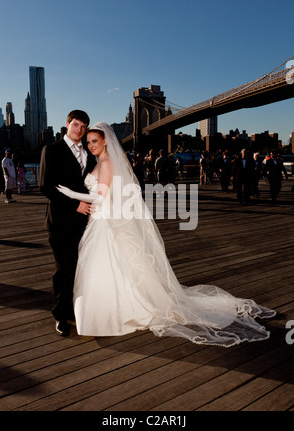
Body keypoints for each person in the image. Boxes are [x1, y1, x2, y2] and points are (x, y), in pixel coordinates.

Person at [57, 122, 275, 347]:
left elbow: (102, 197)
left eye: (95, 141)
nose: (91, 145)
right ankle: (102, 313)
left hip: (103, 221)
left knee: (102, 267)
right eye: (89, 141)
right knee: (108, 267)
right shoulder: (100, 162)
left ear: (105, 142)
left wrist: (73, 195)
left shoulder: (107, 163)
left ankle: (103, 317)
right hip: (100, 220)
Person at [39, 109, 95, 337]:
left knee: (79, 268)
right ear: (67, 124)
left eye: (83, 127)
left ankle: (75, 309)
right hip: (60, 221)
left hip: (84, 223)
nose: (79, 130)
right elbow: (45, 186)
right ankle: (61, 316)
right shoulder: (51, 150)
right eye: (75, 125)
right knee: (63, 269)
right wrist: (76, 205)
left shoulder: (89, 153)